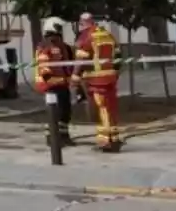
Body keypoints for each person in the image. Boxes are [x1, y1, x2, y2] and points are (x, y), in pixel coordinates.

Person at [72, 12, 123, 153]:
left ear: (83, 23)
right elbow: (118, 56)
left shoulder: (86, 37)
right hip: (110, 78)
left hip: (96, 80)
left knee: (102, 109)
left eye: (80, 23)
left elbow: (81, 60)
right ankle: (114, 138)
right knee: (111, 108)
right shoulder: (107, 34)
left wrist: (75, 77)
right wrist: (115, 73)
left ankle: (107, 141)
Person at [34, 18, 74, 146]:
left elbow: (69, 63)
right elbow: (43, 65)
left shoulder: (63, 45)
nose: (60, 30)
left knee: (65, 112)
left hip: (62, 84)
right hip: (50, 84)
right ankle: (52, 138)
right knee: (55, 112)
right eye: (58, 27)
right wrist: (48, 78)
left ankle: (63, 136)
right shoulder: (45, 45)